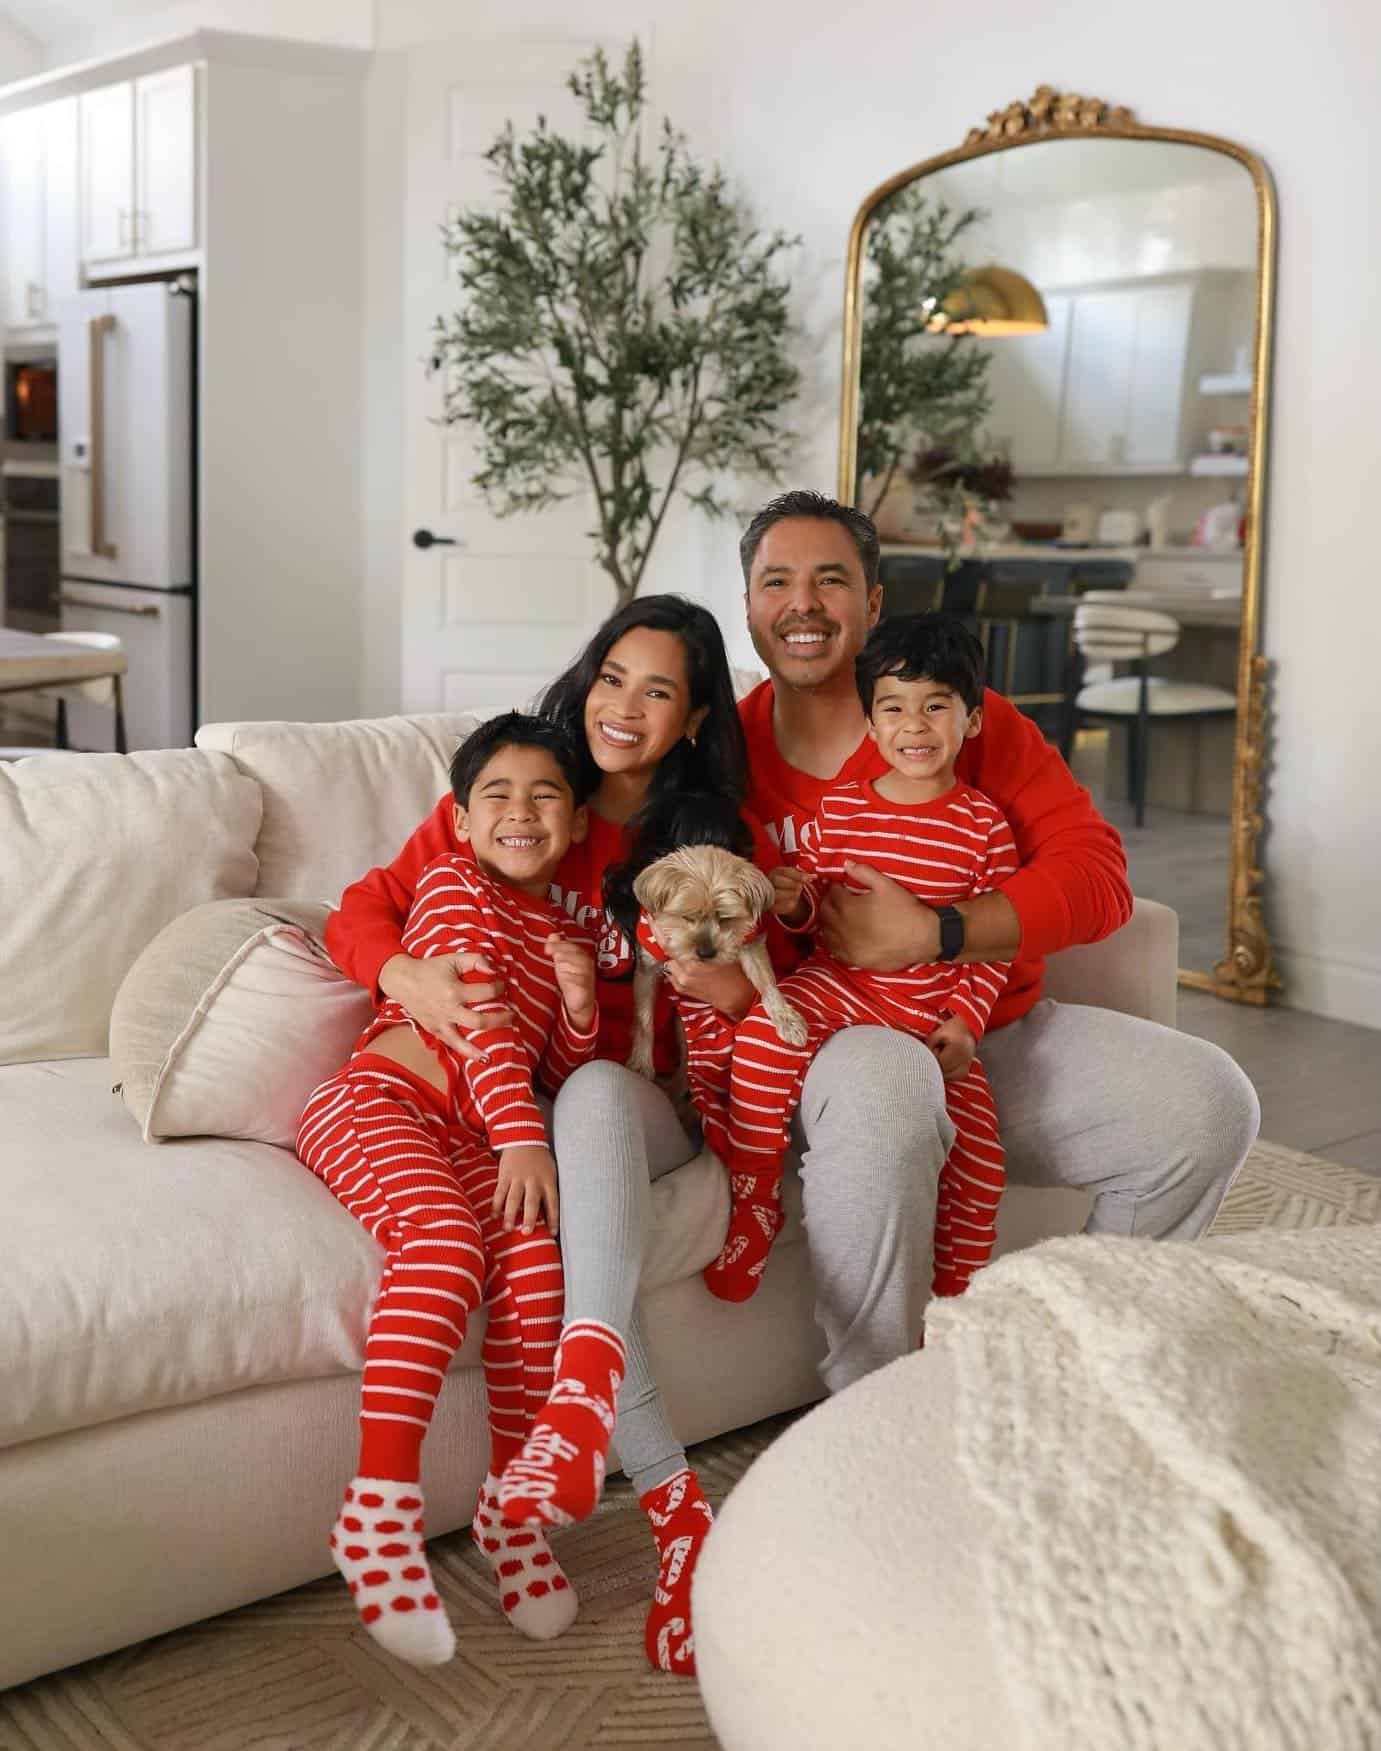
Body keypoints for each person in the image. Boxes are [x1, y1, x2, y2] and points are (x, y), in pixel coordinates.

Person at [325, 596, 764, 1677]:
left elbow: (733, 996)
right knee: (542, 1246)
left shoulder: (693, 835)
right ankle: (648, 1507)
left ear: (696, 716)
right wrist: (403, 973)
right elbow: (369, 908)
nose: (623, 705)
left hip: (606, 1098)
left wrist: (607, 998)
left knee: (598, 1102)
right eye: (612, 674)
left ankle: (560, 1465)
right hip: (500, 1108)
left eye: (658, 689)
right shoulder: (515, 793)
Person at [730, 487, 1260, 1378]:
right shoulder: (719, 750)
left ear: (872, 602)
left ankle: (1080, 1362)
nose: (803, 605)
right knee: (885, 1084)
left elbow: (1098, 882)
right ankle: (875, 1404)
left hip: (970, 1033)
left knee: (1207, 1104)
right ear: (747, 603)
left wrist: (939, 931)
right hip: (819, 1043)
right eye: (775, 581)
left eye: (831, 580)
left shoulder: (962, 722)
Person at [297, 713, 600, 1666]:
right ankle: (377, 1512)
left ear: (579, 824)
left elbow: (548, 1057)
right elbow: (476, 1023)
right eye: (497, 796)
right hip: (380, 1102)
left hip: (474, 1131)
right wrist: (523, 1138)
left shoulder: (557, 926)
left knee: (534, 1266)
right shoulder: (452, 886)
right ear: (459, 821)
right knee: (445, 1247)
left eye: (545, 794)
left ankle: (512, 1513)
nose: (521, 811)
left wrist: (583, 1006)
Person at [707, 611, 1017, 1303]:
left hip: (927, 1008)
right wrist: (792, 905)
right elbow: (815, 907)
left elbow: (992, 945)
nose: (913, 725)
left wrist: (965, 1021)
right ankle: (754, 1196)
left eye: (935, 705)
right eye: (894, 707)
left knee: (982, 1166)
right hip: (839, 984)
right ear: (871, 724)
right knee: (761, 1036)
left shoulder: (984, 827)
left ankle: (952, 1308)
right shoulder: (842, 810)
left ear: (969, 721)